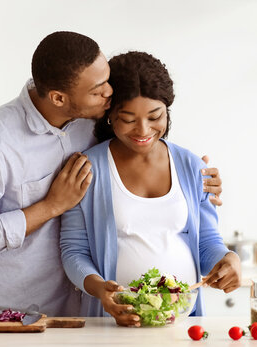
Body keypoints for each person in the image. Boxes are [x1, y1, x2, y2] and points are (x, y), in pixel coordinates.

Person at [0, 32, 223, 317]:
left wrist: (195, 180)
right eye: (99, 89)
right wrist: (50, 206)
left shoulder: (92, 120)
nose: (110, 93)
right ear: (59, 98)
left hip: (88, 313)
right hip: (21, 314)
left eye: (107, 80)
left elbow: (144, 140)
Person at [60, 51, 241, 326]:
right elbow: (74, 251)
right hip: (115, 320)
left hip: (183, 321)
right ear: (109, 115)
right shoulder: (88, 169)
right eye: (129, 119)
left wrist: (228, 259)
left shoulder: (192, 166)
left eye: (155, 116)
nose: (143, 130)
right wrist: (99, 289)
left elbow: (206, 242)